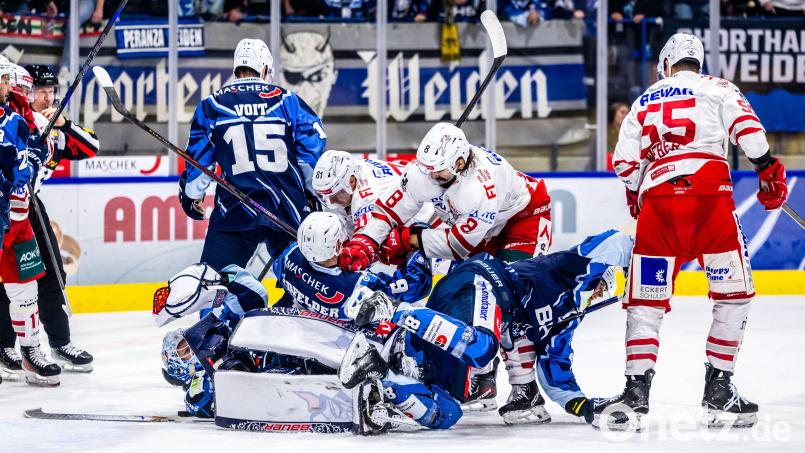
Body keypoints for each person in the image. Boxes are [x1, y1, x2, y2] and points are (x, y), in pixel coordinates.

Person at [597, 33, 788, 431]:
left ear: (666, 63)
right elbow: (749, 131)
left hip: (659, 206)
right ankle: (719, 389)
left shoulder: (645, 98)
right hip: (709, 199)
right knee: (734, 295)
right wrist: (767, 169)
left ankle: (635, 393)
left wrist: (637, 194)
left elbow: (625, 161)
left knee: (645, 300)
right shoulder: (718, 87)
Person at [341, 229, 632, 429]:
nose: (599, 294)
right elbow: (617, 241)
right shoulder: (571, 268)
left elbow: (557, 377)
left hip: (462, 325)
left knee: (448, 413)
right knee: (482, 349)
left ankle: (380, 374)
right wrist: (643, 262)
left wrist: (586, 409)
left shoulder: (564, 323)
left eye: (606, 291)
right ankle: (390, 309)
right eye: (603, 285)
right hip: (480, 281)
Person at [180, 38, 326, 270]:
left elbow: (199, 167)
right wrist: (312, 193)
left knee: (213, 287)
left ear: (237, 69)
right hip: (287, 208)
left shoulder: (212, 104)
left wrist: (191, 194)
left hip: (235, 209)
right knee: (306, 289)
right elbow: (310, 155)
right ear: (266, 69)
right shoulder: (289, 101)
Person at [0, 64, 98, 375]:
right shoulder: (15, 120)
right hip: (6, 202)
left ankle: (59, 341)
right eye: (38, 91)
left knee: (50, 273)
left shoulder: (43, 122)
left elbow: (90, 147)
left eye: (50, 90)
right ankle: (6, 345)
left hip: (28, 203)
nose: (46, 96)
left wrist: (63, 124)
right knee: (8, 280)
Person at [0, 62, 55, 386]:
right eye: (4, 79)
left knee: (26, 290)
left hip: (18, 218)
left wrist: (35, 159)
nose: (9, 85)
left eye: (9, 79)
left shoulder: (16, 120)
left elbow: (36, 154)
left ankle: (31, 350)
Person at [272, 211, 432, 319]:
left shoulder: (288, 256)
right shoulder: (359, 283)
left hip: (296, 326)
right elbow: (414, 288)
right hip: (336, 347)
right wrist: (419, 246)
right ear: (336, 246)